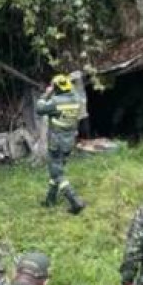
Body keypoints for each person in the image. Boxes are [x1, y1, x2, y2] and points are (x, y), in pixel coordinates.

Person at [36, 73, 87, 214]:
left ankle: (75, 200)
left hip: (56, 143)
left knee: (57, 174)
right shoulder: (76, 99)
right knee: (57, 169)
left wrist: (46, 94)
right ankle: (50, 200)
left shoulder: (56, 102)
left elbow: (39, 109)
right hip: (69, 142)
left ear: (56, 88)